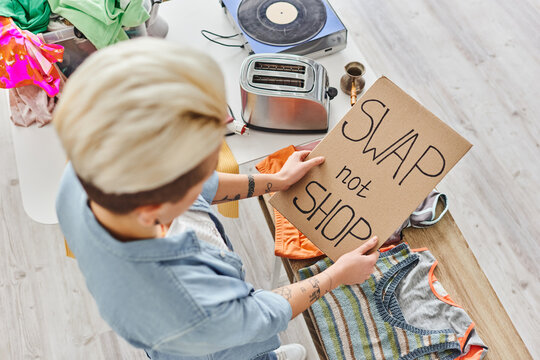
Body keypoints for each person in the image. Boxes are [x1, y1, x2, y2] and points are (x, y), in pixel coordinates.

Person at [54, 38, 380, 360]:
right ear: (155, 207)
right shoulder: (191, 304)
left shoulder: (87, 172)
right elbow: (258, 314)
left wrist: (275, 181)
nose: (209, 173)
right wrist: (337, 275)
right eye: (200, 168)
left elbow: (201, 187)